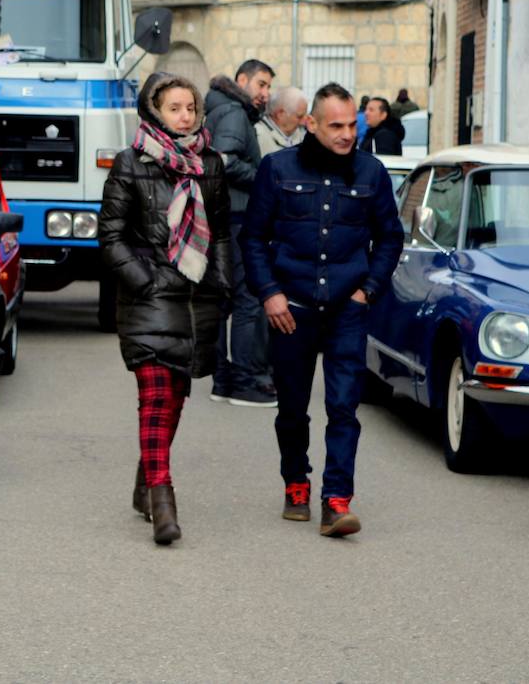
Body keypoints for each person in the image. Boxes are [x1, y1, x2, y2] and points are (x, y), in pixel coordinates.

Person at [240, 83, 403, 538]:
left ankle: (336, 500)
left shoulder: (372, 173)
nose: (347, 134)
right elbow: (252, 238)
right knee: (292, 408)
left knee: (344, 407)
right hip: (290, 309)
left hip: (347, 311)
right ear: (311, 123)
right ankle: (296, 482)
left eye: (353, 124)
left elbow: (390, 238)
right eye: (337, 125)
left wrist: (367, 290)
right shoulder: (277, 169)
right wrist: (269, 292)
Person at [98, 72, 231, 546]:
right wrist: (146, 281)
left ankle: (143, 481)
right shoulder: (129, 164)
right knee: (155, 397)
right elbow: (110, 238)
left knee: (174, 401)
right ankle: (162, 500)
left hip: (196, 298)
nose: (185, 116)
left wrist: (223, 283)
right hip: (149, 298)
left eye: (191, 108)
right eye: (175, 108)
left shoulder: (210, 163)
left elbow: (220, 231)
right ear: (155, 110)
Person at [203, 59, 277, 406]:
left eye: (268, 87)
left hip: (224, 217)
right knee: (248, 300)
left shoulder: (223, 109)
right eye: (261, 84)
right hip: (237, 219)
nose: (265, 93)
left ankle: (222, 381)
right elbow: (226, 161)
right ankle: (244, 383)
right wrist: (263, 175)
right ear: (242, 80)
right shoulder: (234, 112)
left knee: (224, 302)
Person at [256, 85, 308, 157]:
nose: (304, 122)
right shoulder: (258, 136)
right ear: (280, 114)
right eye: (299, 117)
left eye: (306, 115)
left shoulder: (303, 134)